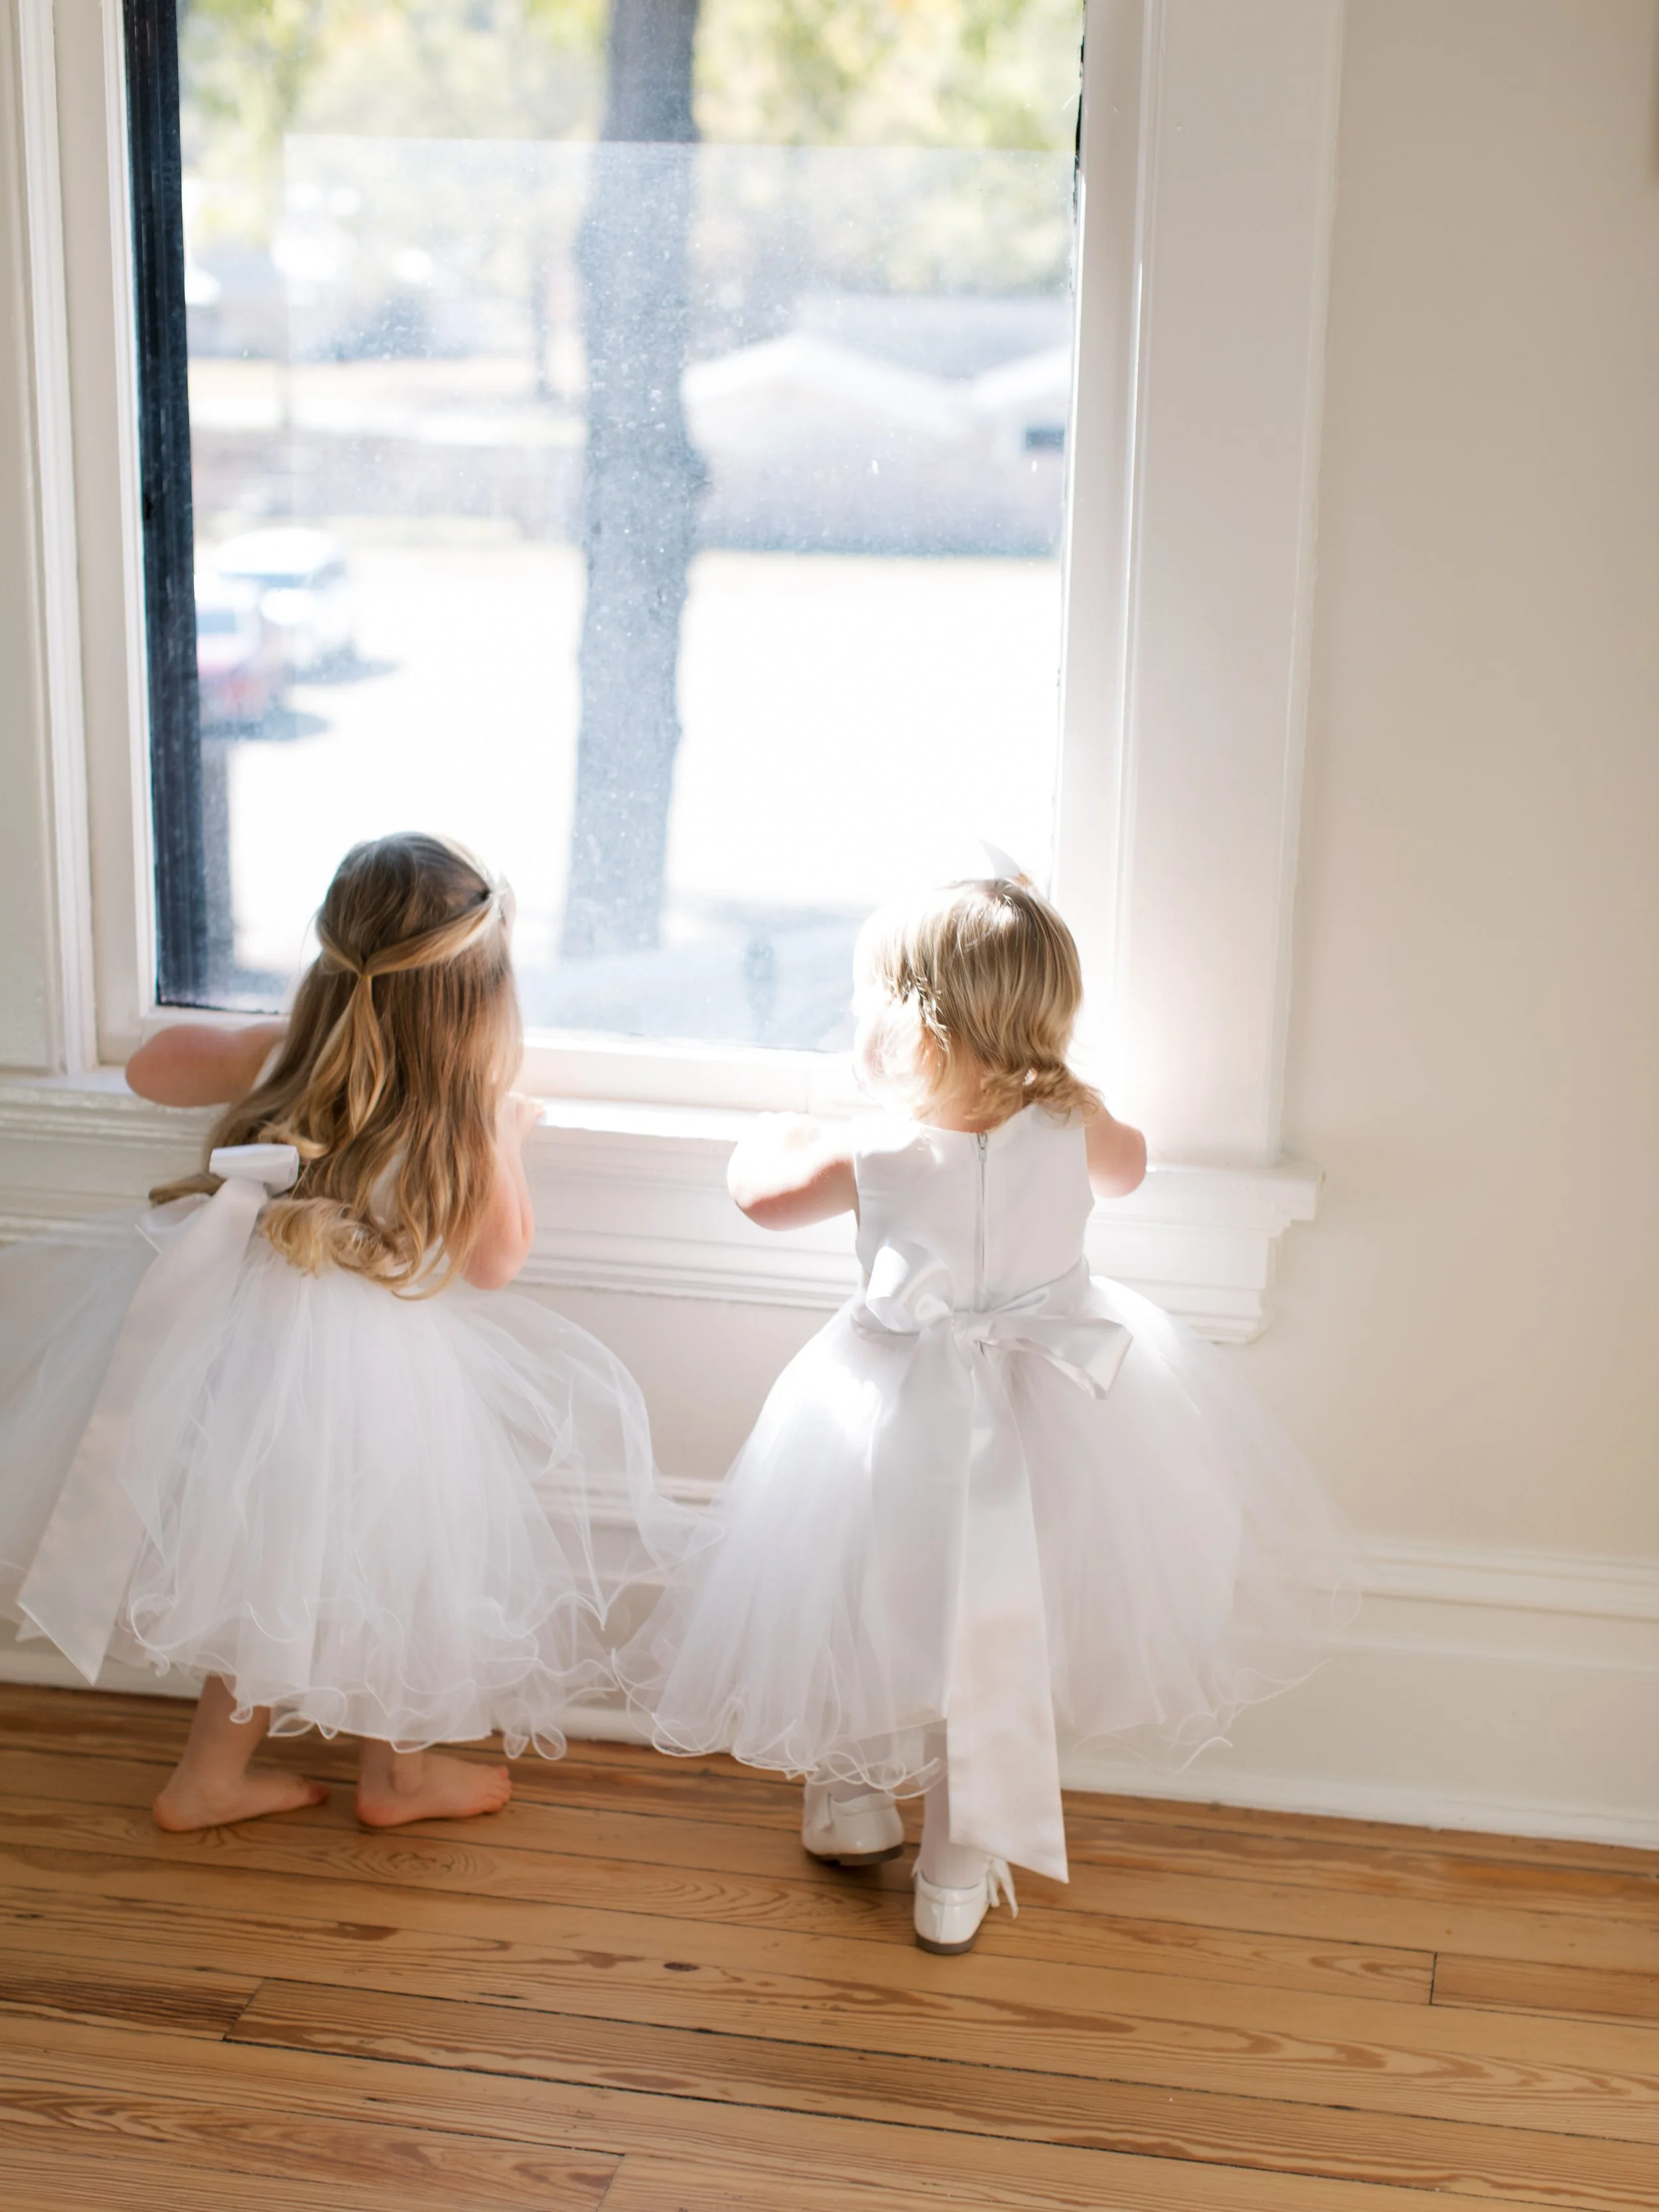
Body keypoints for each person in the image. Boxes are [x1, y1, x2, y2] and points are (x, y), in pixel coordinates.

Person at [621, 873, 1352, 1952]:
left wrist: (763, 1138)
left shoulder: (873, 1150)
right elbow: (1132, 1170)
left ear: (909, 1024)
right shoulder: (1073, 1124)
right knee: (1001, 1628)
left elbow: (763, 1200)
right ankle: (956, 1869)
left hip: (888, 1417)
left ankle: (849, 1798)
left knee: (859, 1600)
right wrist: (1087, 1114)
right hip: (1055, 1409)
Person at [0, 833, 680, 1831]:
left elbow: (152, 1070)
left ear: (332, 954)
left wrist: (279, 1037)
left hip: (238, 1343)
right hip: (376, 1373)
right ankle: (396, 1778)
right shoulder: (461, 1109)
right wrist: (507, 1138)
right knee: (395, 1571)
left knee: (265, 1563)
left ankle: (208, 1778)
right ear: (481, 994)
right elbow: (497, 1263)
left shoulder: (288, 1052)